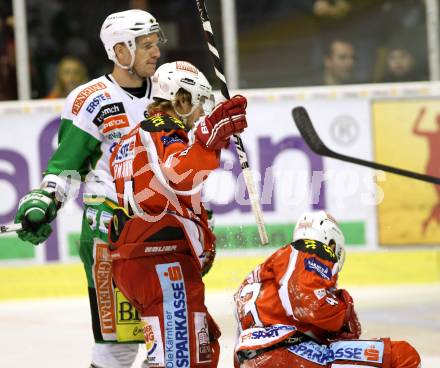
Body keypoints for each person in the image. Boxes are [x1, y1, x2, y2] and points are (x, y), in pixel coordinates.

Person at [14, 9, 167, 368]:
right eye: (146, 45)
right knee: (119, 347)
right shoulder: (91, 100)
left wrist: (218, 129)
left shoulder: (168, 90)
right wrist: (45, 200)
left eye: (155, 43)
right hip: (111, 235)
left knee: (170, 341)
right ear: (120, 50)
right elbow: (66, 169)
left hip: (165, 231)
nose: (156, 51)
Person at [107, 60, 248, 367]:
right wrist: (211, 132)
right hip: (162, 261)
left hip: (137, 262)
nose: (199, 114)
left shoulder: (128, 139)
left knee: (202, 345)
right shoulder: (163, 127)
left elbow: (164, 184)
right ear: (181, 100)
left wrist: (214, 138)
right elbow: (179, 172)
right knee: (182, 361)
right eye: (197, 104)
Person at [233, 211, 421, 368]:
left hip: (257, 357)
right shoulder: (312, 248)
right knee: (402, 355)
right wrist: (342, 310)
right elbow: (307, 306)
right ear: (331, 242)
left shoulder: (260, 274)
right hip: (286, 354)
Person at [412, 107, 440, 234]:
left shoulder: (433, 135)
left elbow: (415, 130)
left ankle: (429, 221)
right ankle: (430, 221)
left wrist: (420, 115)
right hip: (434, 169)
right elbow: (415, 131)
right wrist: (420, 115)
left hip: (433, 168)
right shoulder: (433, 135)